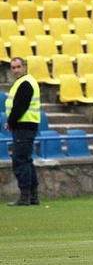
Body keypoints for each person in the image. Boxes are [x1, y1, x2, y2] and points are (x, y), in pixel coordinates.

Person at [4, 57, 41, 207]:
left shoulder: (25, 83)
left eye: (18, 67)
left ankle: (25, 197)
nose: (16, 70)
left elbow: (20, 106)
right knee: (26, 160)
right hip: (27, 125)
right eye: (13, 68)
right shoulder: (26, 81)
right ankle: (32, 196)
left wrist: (10, 122)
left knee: (20, 160)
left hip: (23, 126)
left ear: (24, 67)